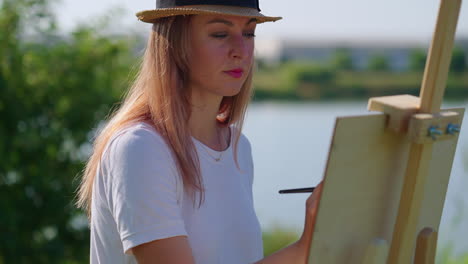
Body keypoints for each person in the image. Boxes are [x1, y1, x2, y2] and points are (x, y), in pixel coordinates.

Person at [77, 0, 323, 263]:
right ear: (174, 43)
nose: (241, 50)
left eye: (249, 33)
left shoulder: (237, 147)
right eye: (220, 34)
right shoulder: (141, 148)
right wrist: (306, 245)